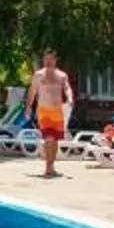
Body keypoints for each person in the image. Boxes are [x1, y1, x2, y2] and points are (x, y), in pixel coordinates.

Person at [30, 50, 74, 179]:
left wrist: (70, 98)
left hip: (57, 111)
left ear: (55, 60)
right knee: (49, 138)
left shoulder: (62, 75)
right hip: (44, 110)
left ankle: (51, 166)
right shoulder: (38, 75)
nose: (48, 62)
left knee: (55, 141)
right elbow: (32, 90)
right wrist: (28, 106)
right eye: (46, 59)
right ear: (43, 60)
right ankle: (48, 167)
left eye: (51, 59)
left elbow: (67, 88)